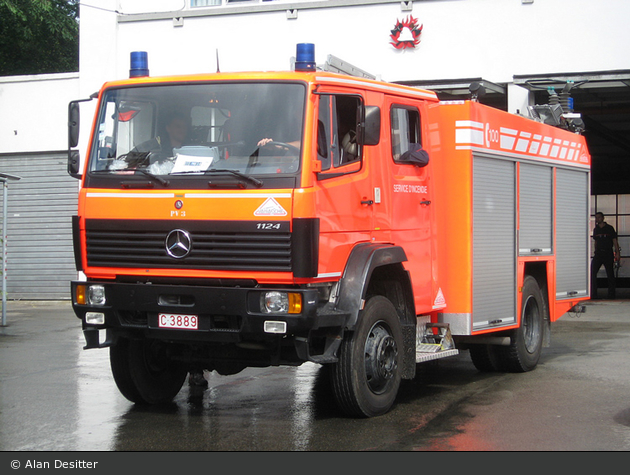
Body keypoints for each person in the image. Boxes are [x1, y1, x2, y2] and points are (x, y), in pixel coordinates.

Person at [591, 211, 620, 299]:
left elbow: (614, 241)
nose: (597, 219)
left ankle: (611, 294)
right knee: (592, 272)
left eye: (599, 217)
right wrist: (595, 251)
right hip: (599, 253)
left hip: (608, 253)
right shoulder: (596, 229)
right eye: (596, 217)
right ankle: (593, 294)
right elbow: (595, 241)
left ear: (603, 218)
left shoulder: (609, 228)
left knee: (610, 274)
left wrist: (617, 253)